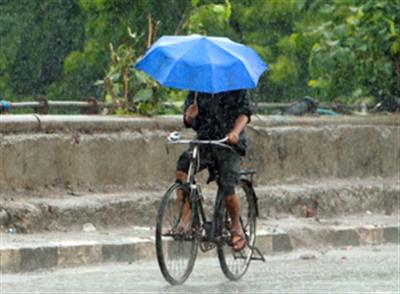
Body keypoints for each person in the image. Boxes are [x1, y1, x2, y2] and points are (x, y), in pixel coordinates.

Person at [175, 89, 252, 252]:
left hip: (228, 144)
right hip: (205, 142)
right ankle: (186, 220)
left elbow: (244, 113)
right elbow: (188, 119)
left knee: (227, 189)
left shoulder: (236, 85)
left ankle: (236, 227)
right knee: (183, 167)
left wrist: (235, 132)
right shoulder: (198, 89)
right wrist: (189, 116)